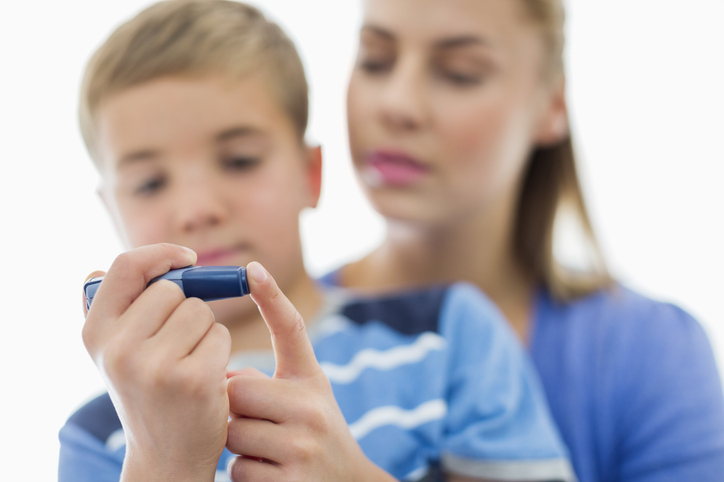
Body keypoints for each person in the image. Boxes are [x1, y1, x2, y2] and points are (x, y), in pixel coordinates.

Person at [58, 1, 576, 481]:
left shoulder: (447, 335)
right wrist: (161, 458)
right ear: (111, 210)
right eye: (150, 183)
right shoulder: (95, 437)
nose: (197, 210)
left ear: (312, 175)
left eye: (240, 161)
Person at [326, 0, 724, 481]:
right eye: (375, 60)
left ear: (552, 104)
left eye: (459, 73)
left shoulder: (648, 353)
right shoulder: (266, 330)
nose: (397, 104)